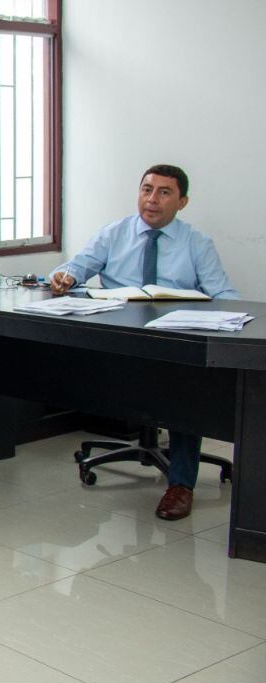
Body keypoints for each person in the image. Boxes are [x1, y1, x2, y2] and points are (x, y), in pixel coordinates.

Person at [49, 164, 239, 520]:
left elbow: (226, 296)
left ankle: (181, 484)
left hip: (174, 342)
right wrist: (64, 277)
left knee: (187, 395)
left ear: (182, 201)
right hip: (121, 340)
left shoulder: (197, 243)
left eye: (164, 192)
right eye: (146, 189)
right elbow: (73, 269)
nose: (152, 200)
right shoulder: (114, 233)